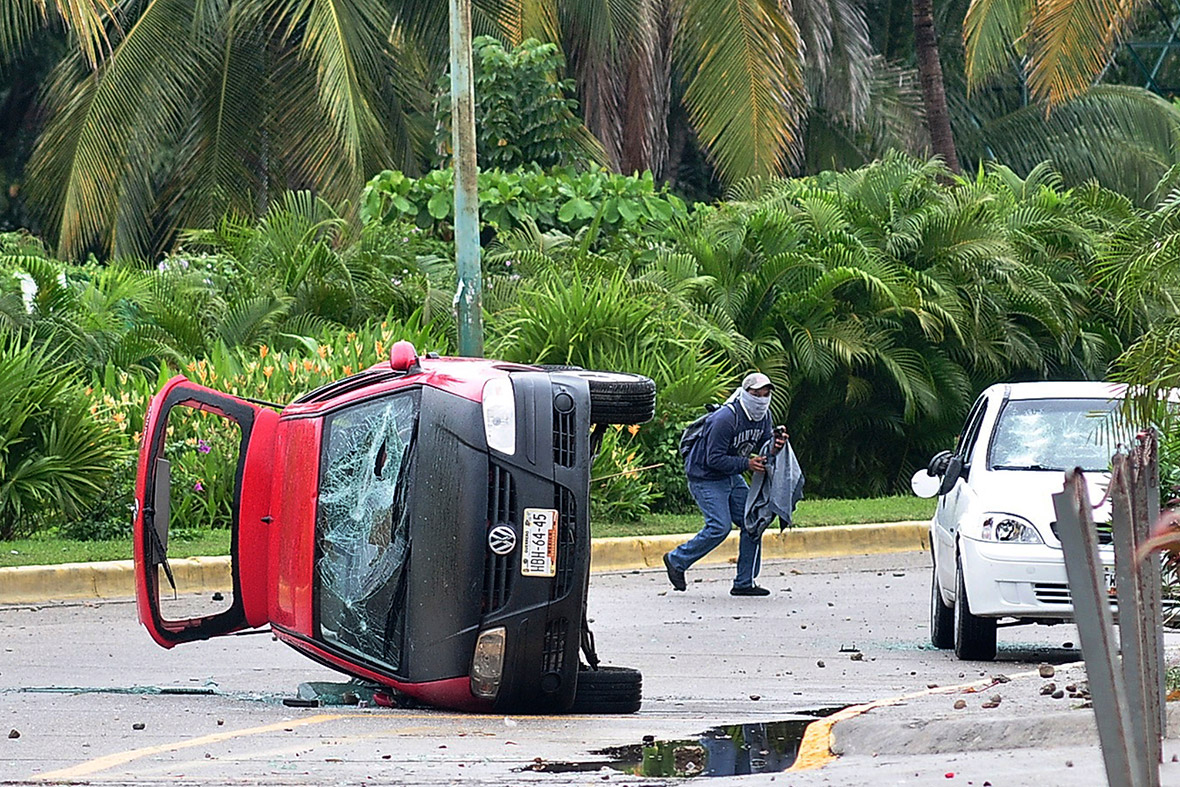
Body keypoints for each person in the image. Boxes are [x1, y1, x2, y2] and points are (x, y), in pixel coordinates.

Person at [663, 372, 787, 596]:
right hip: (705, 476)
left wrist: (775, 445)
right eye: (756, 393)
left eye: (765, 394)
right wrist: (747, 464)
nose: (761, 399)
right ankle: (676, 560)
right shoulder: (725, 419)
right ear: (744, 393)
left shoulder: (764, 417)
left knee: (753, 522)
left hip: (731, 474)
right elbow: (714, 459)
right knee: (719, 527)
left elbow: (763, 445)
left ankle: (744, 583)